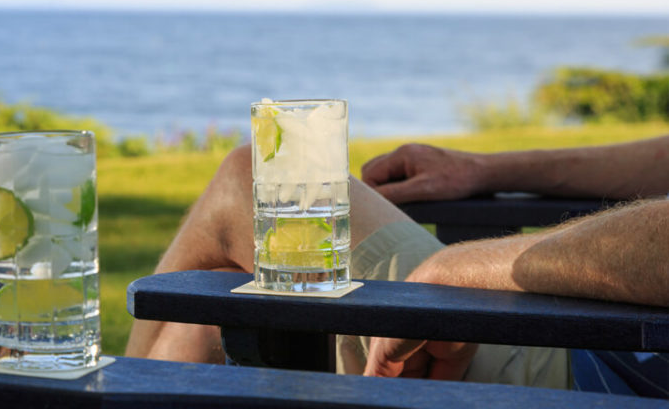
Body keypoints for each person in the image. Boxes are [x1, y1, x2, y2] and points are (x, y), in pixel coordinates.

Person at [125, 135, 669, 398]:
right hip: (609, 348)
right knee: (214, 305)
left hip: (590, 370)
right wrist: (483, 170)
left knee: (256, 180)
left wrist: (453, 270)